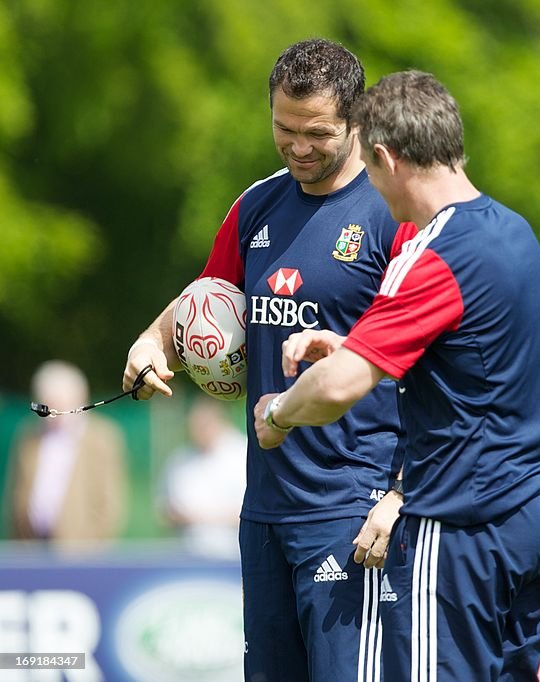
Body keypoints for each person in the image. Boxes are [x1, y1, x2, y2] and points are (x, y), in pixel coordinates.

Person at [253, 70, 540, 681]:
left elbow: (339, 389)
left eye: (370, 173)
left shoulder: (432, 254)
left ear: (385, 157)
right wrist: (352, 343)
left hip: (464, 526)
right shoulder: (513, 231)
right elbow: (466, 362)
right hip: (537, 513)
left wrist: (278, 412)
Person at [123, 39, 415, 681]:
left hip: (354, 506)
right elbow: (204, 299)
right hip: (264, 507)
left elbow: (432, 368)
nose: (298, 146)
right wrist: (150, 341)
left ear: (358, 121)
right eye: (285, 128)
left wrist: (400, 494)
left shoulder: (392, 214)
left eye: (317, 133)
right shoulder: (256, 204)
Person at [7, 360, 127, 546]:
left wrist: (90, 543)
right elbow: (16, 494)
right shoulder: (28, 436)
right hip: (31, 548)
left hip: (79, 553)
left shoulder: (101, 438)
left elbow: (109, 503)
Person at [160, 397, 247, 557]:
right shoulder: (180, 460)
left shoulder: (243, 455)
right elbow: (166, 509)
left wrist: (201, 518)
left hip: (233, 554)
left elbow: (250, 511)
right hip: (188, 553)